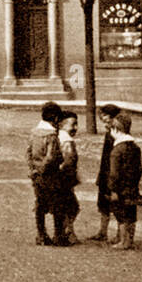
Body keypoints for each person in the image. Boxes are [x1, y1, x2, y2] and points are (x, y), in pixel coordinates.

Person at [26, 101, 64, 246]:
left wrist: (33, 170)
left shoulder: (34, 132)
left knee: (40, 204)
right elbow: (50, 156)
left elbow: (28, 152)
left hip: (36, 173)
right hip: (50, 174)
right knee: (57, 204)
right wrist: (42, 169)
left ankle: (41, 235)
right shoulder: (51, 135)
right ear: (54, 118)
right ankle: (58, 236)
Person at [106, 112, 142, 250]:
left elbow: (114, 173)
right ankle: (130, 240)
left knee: (121, 215)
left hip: (120, 189)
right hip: (132, 187)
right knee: (132, 214)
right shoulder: (135, 147)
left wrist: (113, 189)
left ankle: (124, 241)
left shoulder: (117, 151)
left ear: (115, 130)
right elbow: (139, 169)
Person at [88, 103, 122, 242]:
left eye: (105, 115)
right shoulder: (110, 131)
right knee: (103, 204)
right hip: (105, 171)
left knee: (116, 205)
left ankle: (120, 234)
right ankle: (103, 231)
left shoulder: (117, 133)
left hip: (112, 172)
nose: (102, 118)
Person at [54, 110, 80, 245]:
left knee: (68, 207)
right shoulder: (67, 141)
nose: (75, 128)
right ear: (61, 125)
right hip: (65, 178)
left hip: (61, 178)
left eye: (76, 124)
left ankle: (68, 231)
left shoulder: (57, 137)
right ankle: (66, 232)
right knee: (72, 207)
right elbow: (69, 160)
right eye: (73, 125)